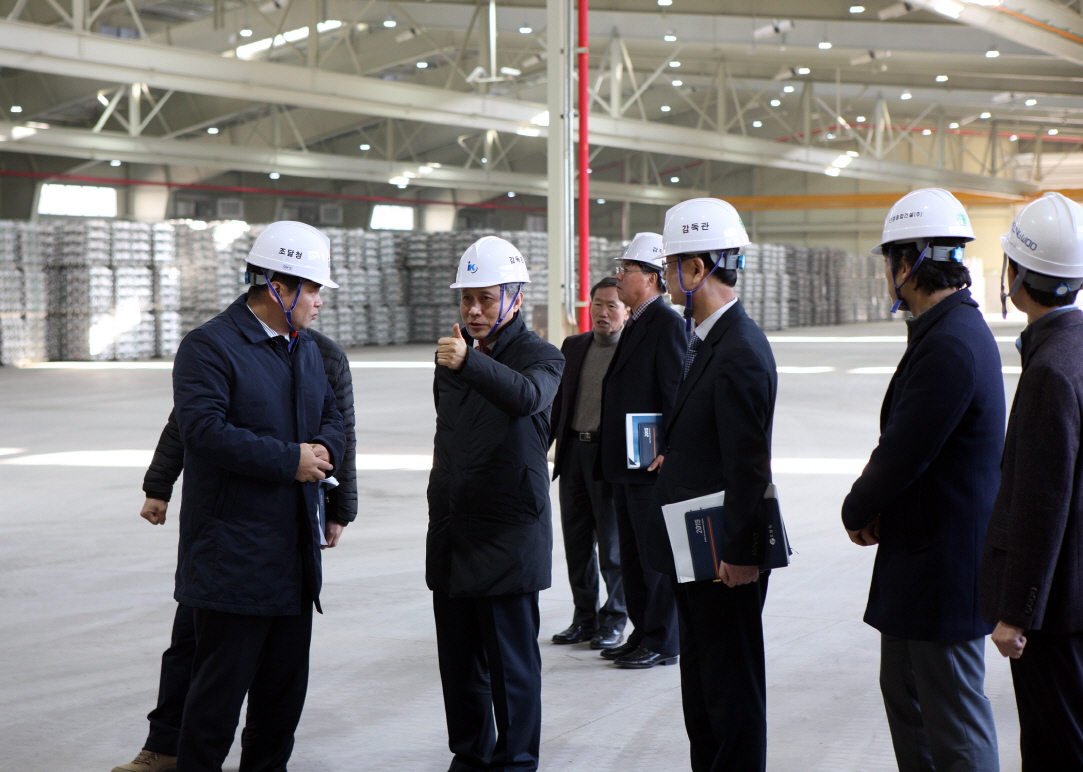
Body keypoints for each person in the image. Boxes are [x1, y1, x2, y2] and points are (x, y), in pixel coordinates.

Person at [111, 325, 356, 772]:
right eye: (312, 291)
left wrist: (341, 507)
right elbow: (186, 423)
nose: (318, 301)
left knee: (274, 675)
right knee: (192, 652)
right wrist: (158, 484)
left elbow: (341, 429)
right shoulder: (218, 346)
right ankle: (165, 746)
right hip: (223, 540)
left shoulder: (320, 354)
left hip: (285, 533)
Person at [170, 221, 345, 772]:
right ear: (277, 287)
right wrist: (289, 460)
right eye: (312, 289)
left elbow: (333, 415)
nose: (319, 302)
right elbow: (202, 430)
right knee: (215, 707)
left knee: (279, 708)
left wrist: (325, 450)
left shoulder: (306, 350)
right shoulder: (209, 347)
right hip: (234, 565)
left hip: (293, 561)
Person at [842, 188, 1003, 772]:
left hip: (945, 572)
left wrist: (857, 508)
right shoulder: (943, 331)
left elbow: (904, 451)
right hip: (921, 560)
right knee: (910, 700)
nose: (889, 274)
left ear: (906, 264)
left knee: (954, 724)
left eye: (891, 261)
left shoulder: (951, 344)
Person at [645, 197, 777, 771]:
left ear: (697, 268)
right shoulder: (705, 340)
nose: (666, 276)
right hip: (697, 548)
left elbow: (749, 463)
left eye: (671, 265)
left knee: (731, 693)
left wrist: (743, 554)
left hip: (726, 555)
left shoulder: (739, 348)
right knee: (703, 692)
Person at [427, 236, 564, 772]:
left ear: (515, 298)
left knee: (511, 667)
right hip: (455, 530)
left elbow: (526, 397)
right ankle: (470, 755)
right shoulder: (451, 356)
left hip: (508, 534)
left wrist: (468, 363)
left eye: (485, 298)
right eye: (467, 299)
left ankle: (516, 762)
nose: (474, 311)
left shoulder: (543, 357)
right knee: (459, 665)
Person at [981, 192, 1083, 771]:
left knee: (1053, 749)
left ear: (1015, 274)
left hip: (1055, 614)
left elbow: (1042, 504)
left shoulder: (1049, 369)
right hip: (1075, 599)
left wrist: (1017, 613)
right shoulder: (1075, 348)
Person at [597, 232, 686, 669]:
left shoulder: (666, 324)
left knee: (653, 559)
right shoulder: (636, 321)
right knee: (632, 557)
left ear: (651, 277)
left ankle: (663, 640)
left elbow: (675, 391)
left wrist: (670, 446)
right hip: (627, 462)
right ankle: (643, 632)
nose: (619, 276)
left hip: (650, 464)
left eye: (627, 269)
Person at [548, 276, 629, 649]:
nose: (603, 312)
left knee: (612, 548)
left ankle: (614, 619)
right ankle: (584, 618)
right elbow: (558, 404)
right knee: (577, 544)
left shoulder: (630, 350)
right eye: (598, 304)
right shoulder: (574, 346)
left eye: (612, 305)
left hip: (608, 458)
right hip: (573, 456)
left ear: (626, 311)